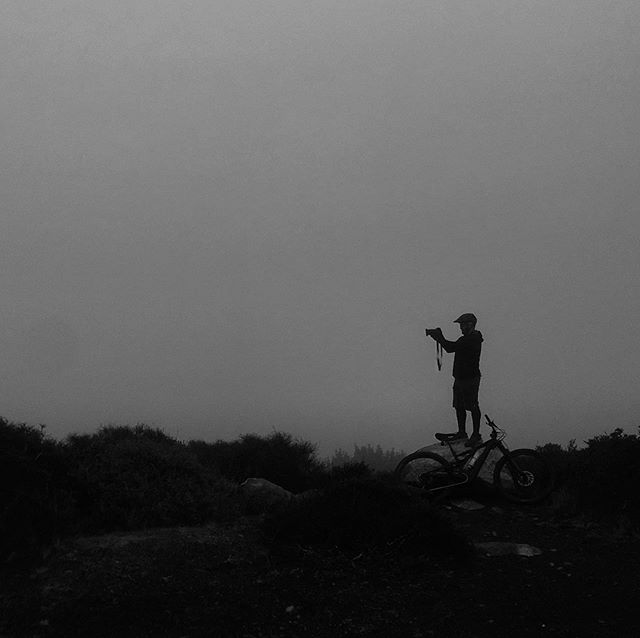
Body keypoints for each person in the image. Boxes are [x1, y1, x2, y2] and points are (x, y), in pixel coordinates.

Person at [425, 313, 484, 447]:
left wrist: (439, 337)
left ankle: (475, 434)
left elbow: (450, 348)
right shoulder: (468, 338)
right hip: (461, 377)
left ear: (470, 324)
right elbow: (451, 346)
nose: (461, 327)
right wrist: (439, 337)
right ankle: (462, 432)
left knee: (472, 405)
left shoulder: (472, 339)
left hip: (470, 378)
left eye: (462, 324)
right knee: (459, 405)